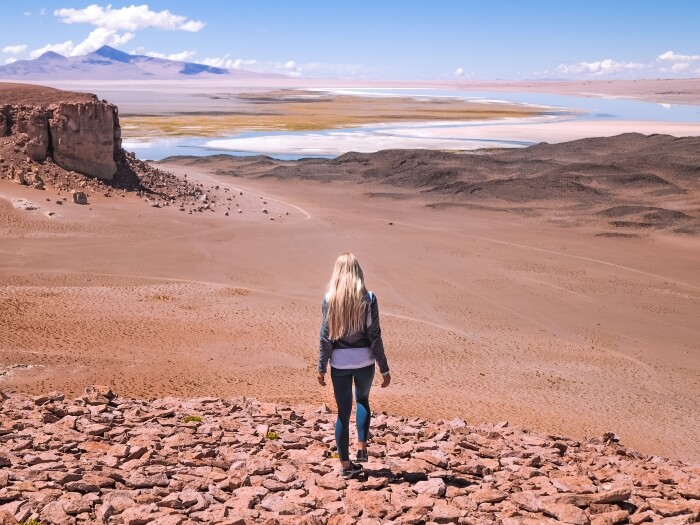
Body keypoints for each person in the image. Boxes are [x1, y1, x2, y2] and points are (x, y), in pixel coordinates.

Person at [317, 253, 391, 479]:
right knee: (363, 401)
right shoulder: (368, 298)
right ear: (358, 272)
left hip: (339, 363)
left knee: (342, 413)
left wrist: (321, 367)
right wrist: (384, 367)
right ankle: (361, 447)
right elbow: (374, 335)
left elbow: (325, 337)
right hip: (364, 361)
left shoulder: (330, 299)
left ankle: (346, 465)